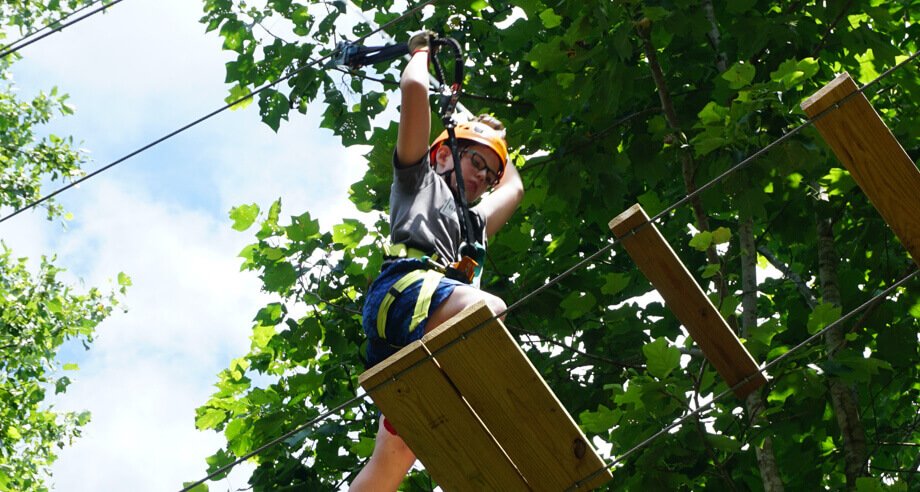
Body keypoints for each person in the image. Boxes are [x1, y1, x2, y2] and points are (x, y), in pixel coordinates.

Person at [349, 31, 524, 491]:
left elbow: (515, 189)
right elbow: (413, 93)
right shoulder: (418, 182)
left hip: (422, 321)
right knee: (489, 310)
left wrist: (480, 127)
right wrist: (420, 53)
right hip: (405, 293)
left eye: (490, 174)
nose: (484, 180)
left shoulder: (473, 225)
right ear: (444, 153)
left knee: (398, 452)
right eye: (477, 164)